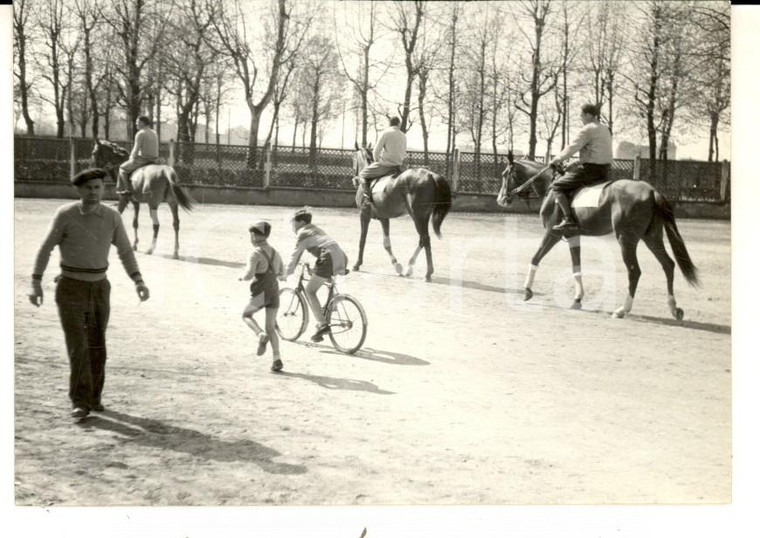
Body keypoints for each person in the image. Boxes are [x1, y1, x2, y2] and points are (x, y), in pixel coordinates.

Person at [28, 168, 151, 420]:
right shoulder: (65, 215)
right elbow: (45, 248)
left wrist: (138, 280)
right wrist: (36, 282)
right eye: (88, 188)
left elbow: (126, 252)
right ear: (78, 190)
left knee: (97, 345)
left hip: (99, 288)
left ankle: (94, 397)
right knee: (78, 346)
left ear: (104, 189)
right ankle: (80, 401)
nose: (94, 193)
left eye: (98, 187)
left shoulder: (112, 216)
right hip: (70, 288)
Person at [282, 208, 348, 342]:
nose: (292, 226)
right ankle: (333, 304)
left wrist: (286, 273)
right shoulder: (315, 229)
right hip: (341, 256)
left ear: (301, 222)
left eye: (293, 223)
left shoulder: (302, 233)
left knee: (309, 291)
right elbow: (323, 246)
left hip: (328, 258)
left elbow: (295, 256)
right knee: (323, 278)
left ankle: (323, 325)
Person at [548, 103, 613, 235]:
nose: (580, 118)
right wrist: (575, 163)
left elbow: (572, 147)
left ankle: (568, 220)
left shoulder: (587, 129)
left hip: (590, 171)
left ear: (588, 115)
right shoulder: (605, 129)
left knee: (557, 186)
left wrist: (556, 160)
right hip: (604, 171)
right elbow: (594, 152)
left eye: (581, 115)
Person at [239, 221, 285, 373]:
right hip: (274, 293)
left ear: (254, 235)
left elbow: (249, 275)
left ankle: (260, 334)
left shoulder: (255, 253)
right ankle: (277, 359)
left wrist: (242, 277)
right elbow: (281, 273)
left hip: (261, 293)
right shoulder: (275, 252)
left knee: (246, 314)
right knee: (271, 327)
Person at [359, 116, 407, 203]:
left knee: (362, 174)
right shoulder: (403, 135)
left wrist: (377, 160)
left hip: (385, 165)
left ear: (389, 123)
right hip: (399, 166)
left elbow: (376, 151)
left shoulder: (385, 132)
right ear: (398, 124)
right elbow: (403, 151)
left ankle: (367, 198)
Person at [117, 115, 159, 196]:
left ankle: (126, 189)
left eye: (138, 122)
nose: (136, 124)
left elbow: (136, 148)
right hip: (155, 160)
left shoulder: (140, 133)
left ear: (143, 123)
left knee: (122, 168)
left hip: (143, 160)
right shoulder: (154, 133)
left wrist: (131, 157)